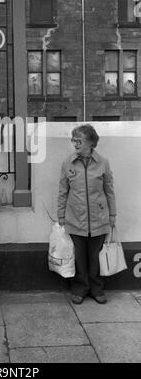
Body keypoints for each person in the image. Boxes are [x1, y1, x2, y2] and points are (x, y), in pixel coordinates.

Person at [57, 124, 116, 305]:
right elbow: (63, 191)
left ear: (91, 142)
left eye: (79, 140)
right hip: (75, 218)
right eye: (73, 140)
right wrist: (61, 216)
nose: (75, 144)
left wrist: (112, 215)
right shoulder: (68, 163)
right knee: (79, 258)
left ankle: (97, 289)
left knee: (96, 257)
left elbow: (109, 190)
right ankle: (80, 289)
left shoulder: (103, 162)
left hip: (99, 219)